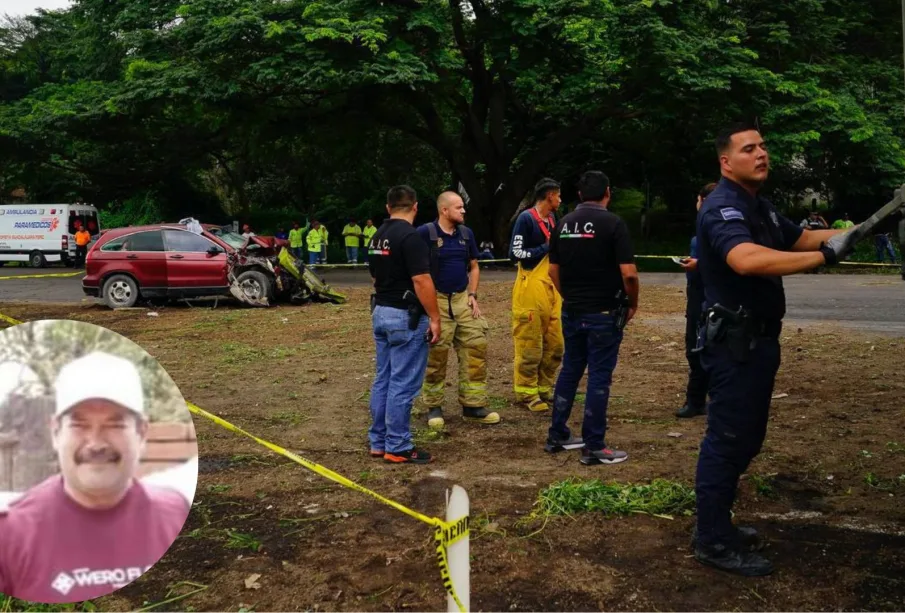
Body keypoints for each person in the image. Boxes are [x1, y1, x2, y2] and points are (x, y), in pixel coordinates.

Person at [692, 122, 859, 576]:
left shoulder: (757, 207)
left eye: (763, 146)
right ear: (726, 162)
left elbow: (798, 238)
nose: (762, 154)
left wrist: (863, 228)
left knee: (745, 440)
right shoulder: (723, 208)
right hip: (735, 345)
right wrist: (828, 257)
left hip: (758, 341)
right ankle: (711, 539)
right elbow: (745, 259)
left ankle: (718, 525)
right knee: (727, 442)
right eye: (749, 149)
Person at [0, 352, 190, 603]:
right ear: (56, 432)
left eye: (115, 424)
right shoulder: (11, 535)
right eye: (79, 424)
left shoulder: (175, 512)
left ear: (141, 432)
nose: (96, 443)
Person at [545, 170, 638, 465]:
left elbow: (552, 271)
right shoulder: (613, 224)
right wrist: (632, 303)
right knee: (599, 377)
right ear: (607, 192)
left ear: (581, 195)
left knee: (570, 370)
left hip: (572, 310)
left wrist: (569, 297)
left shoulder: (562, 223)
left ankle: (557, 434)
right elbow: (629, 274)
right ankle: (594, 445)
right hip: (603, 313)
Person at [367, 185, 442, 464]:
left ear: (388, 207)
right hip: (406, 316)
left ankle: (378, 440)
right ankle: (397, 446)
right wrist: (434, 317)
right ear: (415, 207)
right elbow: (422, 280)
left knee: (383, 378)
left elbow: (374, 275)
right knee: (403, 382)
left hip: (381, 312)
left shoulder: (377, 236)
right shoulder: (411, 238)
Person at [417, 192, 500, 429]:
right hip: (438, 302)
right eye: (459, 207)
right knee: (436, 354)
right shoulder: (426, 234)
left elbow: (473, 267)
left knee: (476, 347)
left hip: (462, 300)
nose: (464, 211)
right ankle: (433, 407)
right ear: (444, 210)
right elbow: (416, 271)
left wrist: (472, 295)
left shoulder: (466, 234)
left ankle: (473, 405)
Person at [509, 178, 565, 412]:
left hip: (551, 287)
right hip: (530, 286)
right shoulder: (526, 219)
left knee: (556, 344)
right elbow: (516, 253)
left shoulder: (553, 219)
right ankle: (527, 392)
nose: (560, 200)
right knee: (530, 343)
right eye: (558, 196)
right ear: (550, 195)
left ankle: (545, 387)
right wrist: (546, 246)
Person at [675, 182, 717, 418]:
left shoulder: (704, 234)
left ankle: (698, 399)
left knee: (699, 348)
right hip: (707, 295)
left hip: (704, 296)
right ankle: (702, 398)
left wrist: (697, 265)